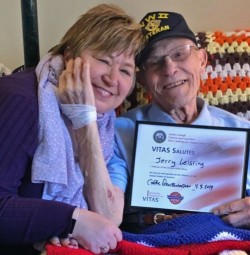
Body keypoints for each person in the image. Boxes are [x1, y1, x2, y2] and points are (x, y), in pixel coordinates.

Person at [0, 4, 144, 254]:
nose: (112, 79)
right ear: (68, 55)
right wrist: (72, 221)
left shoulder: (105, 121)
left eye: (125, 71)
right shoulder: (21, 100)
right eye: (102, 60)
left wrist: (84, 119)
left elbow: (107, 217)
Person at [107, 10, 250, 232]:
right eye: (154, 61)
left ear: (202, 60)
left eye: (179, 54)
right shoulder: (118, 132)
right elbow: (106, 209)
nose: (170, 69)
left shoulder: (242, 131)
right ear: (143, 79)